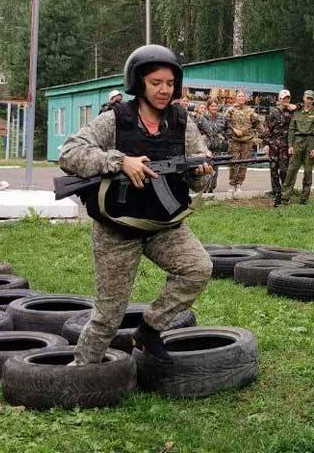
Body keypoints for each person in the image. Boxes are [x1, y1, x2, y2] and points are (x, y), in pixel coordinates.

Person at [58, 44, 214, 365]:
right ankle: (79, 374)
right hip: (117, 229)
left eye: (169, 84)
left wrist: (202, 174)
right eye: (156, 82)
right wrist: (119, 162)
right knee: (108, 315)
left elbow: (199, 183)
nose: (163, 90)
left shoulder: (184, 124)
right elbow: (69, 154)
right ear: (139, 82)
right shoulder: (113, 121)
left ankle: (149, 329)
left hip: (163, 225)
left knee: (198, 270)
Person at [280, 90, 314, 205]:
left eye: (311, 99)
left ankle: (304, 199)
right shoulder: (297, 112)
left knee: (308, 171)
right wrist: (290, 145)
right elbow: (291, 129)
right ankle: (285, 197)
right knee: (292, 169)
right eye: (307, 98)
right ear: (303, 98)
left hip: (310, 141)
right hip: (297, 142)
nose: (309, 101)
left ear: (313, 100)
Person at [224, 90, 261, 194]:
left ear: (245, 98)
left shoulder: (250, 111)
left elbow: (258, 124)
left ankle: (239, 184)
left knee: (244, 163)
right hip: (234, 140)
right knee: (233, 162)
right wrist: (233, 129)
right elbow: (224, 123)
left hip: (247, 141)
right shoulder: (230, 110)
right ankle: (232, 184)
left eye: (243, 96)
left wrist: (261, 137)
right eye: (239, 96)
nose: (241, 98)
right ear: (236, 97)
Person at [263, 89, 294, 206]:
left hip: (286, 146)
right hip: (274, 145)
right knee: (274, 170)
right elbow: (267, 129)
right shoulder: (273, 112)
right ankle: (277, 194)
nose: (286, 100)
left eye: (288, 98)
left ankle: (285, 193)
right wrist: (265, 144)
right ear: (279, 99)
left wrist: (294, 107)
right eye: (284, 98)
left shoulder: (293, 112)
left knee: (284, 170)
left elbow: (303, 108)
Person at [197, 97, 228, 193]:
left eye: (215, 106)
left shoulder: (222, 117)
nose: (214, 107)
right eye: (212, 106)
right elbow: (208, 131)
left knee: (215, 168)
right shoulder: (202, 118)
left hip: (217, 146)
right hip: (206, 148)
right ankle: (204, 188)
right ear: (208, 107)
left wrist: (225, 139)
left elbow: (226, 129)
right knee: (206, 168)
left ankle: (212, 188)